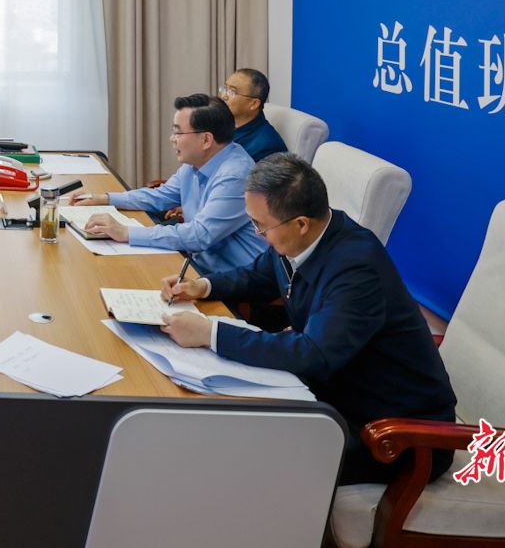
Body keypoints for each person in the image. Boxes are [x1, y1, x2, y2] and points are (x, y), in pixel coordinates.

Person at [159, 154, 457, 485]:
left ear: (301, 223)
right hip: (336, 396)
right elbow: (258, 275)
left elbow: (313, 354)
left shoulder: (357, 268)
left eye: (261, 226)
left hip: (398, 434)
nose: (257, 233)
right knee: (223, 423)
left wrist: (211, 333)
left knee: (244, 455)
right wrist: (203, 285)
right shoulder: (305, 237)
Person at [65, 95, 265, 273]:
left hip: (235, 279)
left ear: (206, 140)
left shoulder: (235, 176)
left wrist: (126, 232)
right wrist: (105, 198)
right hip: (197, 264)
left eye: (178, 133)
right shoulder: (196, 162)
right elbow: (159, 196)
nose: (172, 139)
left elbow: (199, 235)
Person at [219, 68, 288, 161]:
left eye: (232, 92)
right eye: (225, 88)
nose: (224, 96)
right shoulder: (223, 122)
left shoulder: (267, 147)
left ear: (254, 104)